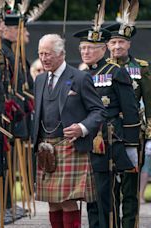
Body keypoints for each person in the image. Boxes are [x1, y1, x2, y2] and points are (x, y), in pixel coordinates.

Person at [33, 34, 105, 228]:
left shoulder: (80, 78)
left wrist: (82, 128)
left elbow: (98, 110)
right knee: (53, 201)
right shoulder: (39, 80)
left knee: (67, 200)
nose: (44, 58)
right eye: (41, 53)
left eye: (48, 54)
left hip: (70, 146)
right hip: (45, 147)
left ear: (61, 54)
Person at [73, 22, 140, 228]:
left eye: (91, 48)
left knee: (104, 195)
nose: (86, 51)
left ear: (103, 49)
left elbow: (130, 110)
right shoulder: (78, 74)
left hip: (107, 141)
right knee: (89, 196)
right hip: (83, 142)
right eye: (82, 48)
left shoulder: (116, 72)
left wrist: (130, 146)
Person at [105, 21, 150, 228]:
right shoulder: (101, 68)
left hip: (134, 136)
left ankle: (130, 225)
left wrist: (149, 135)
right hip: (108, 135)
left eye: (121, 42)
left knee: (130, 187)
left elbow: (149, 102)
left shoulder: (141, 69)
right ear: (107, 45)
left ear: (129, 44)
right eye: (113, 42)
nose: (117, 47)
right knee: (110, 185)